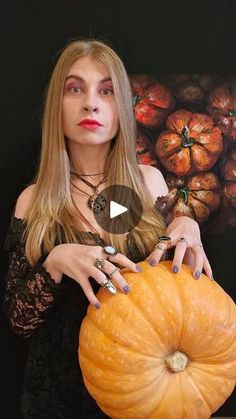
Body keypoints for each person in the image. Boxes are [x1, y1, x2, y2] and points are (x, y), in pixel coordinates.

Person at [3, 39, 213, 419]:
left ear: (122, 108)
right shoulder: (34, 201)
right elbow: (18, 321)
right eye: (74, 88)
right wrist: (55, 262)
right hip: (59, 401)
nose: (91, 103)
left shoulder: (150, 184)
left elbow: (179, 292)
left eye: (107, 90)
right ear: (57, 105)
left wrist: (185, 223)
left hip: (148, 395)